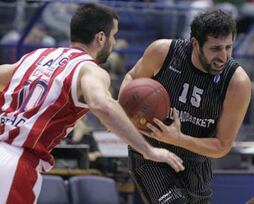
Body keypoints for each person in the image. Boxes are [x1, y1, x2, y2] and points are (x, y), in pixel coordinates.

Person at [0, 4, 184, 203]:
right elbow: (101, 105)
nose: (114, 42)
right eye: (113, 35)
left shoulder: (35, 57)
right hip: (15, 162)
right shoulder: (89, 69)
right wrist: (148, 150)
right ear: (101, 38)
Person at [121, 9, 251, 204]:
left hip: (196, 163)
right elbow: (132, 78)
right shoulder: (164, 52)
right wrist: (121, 111)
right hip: (151, 154)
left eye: (228, 47)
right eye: (215, 48)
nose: (223, 56)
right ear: (195, 44)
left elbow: (221, 146)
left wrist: (178, 138)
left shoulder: (237, 82)